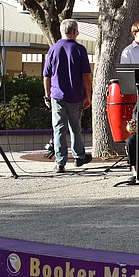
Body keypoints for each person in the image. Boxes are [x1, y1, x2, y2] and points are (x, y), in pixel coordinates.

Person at [43, 19, 92, 173]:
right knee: (75, 128)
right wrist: (88, 96)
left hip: (57, 95)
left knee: (58, 129)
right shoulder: (80, 49)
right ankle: (79, 156)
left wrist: (47, 94)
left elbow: (46, 76)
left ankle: (60, 162)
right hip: (75, 95)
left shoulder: (53, 49)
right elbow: (86, 75)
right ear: (75, 31)